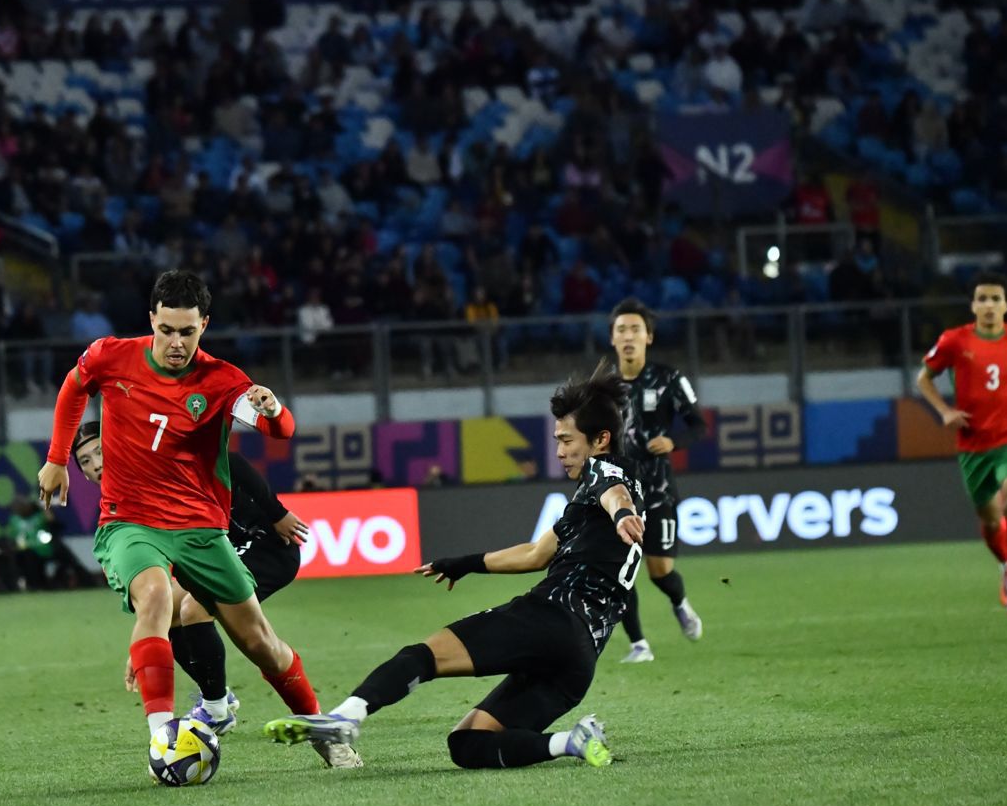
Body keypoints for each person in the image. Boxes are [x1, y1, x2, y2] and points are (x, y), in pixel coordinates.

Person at [37, 269, 360, 770]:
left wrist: (273, 408)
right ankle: (163, 740)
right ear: (152, 319)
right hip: (130, 520)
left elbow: (280, 430)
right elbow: (74, 387)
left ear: (204, 325)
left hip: (201, 529)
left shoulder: (222, 381)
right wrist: (57, 458)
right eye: (166, 330)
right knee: (156, 595)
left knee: (259, 642)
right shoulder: (111, 356)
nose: (176, 343)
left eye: (187, 332)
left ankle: (323, 732)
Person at [262, 366, 644, 770]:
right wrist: (466, 564)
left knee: (422, 656)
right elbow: (535, 554)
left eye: (567, 440)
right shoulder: (594, 499)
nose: (560, 451)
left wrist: (622, 514)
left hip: (552, 617)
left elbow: (614, 493)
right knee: (468, 744)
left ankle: (345, 718)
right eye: (557, 441)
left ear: (600, 440)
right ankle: (572, 741)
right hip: (579, 659)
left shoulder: (606, 473)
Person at [71, 420, 312, 729]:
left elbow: (231, 462)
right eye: (85, 461)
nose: (96, 465)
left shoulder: (156, 462)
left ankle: (220, 706)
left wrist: (277, 513)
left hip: (266, 545)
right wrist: (147, 640)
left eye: (99, 452)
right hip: (220, 551)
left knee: (203, 613)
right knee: (172, 611)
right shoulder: (127, 502)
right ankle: (218, 701)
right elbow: (158, 581)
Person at [916, 274, 1007, 617]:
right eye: (982, 299)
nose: (989, 305)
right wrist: (944, 411)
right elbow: (924, 377)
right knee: (990, 521)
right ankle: (1005, 565)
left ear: (1006, 305)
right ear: (973, 306)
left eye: (995, 299)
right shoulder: (954, 341)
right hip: (973, 444)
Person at [608, 298, 708, 663]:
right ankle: (639, 645)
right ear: (612, 338)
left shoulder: (668, 379)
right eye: (621, 330)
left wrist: (672, 442)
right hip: (617, 492)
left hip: (658, 488)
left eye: (635, 329)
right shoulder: (602, 388)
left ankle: (679, 602)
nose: (628, 336)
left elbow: (698, 425)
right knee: (618, 571)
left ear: (648, 337)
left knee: (659, 570)